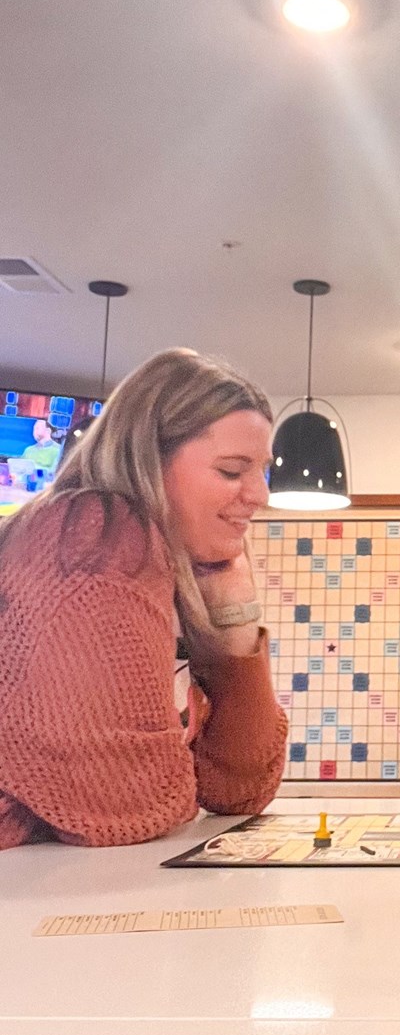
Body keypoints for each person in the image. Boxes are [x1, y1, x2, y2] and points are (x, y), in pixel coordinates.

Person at [0, 348, 287, 851]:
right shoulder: (96, 532)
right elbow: (129, 809)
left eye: (262, 471)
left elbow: (239, 792)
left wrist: (236, 620)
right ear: (148, 460)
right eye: (231, 471)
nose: (259, 495)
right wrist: (173, 785)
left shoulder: (165, 561)